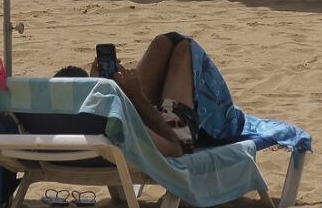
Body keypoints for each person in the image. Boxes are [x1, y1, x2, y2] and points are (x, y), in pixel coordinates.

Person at [73, 33, 219, 158]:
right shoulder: (118, 126)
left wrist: (103, 86)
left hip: (133, 112)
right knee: (185, 48)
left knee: (162, 42)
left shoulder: (64, 121)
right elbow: (176, 147)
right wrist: (137, 97)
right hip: (172, 130)